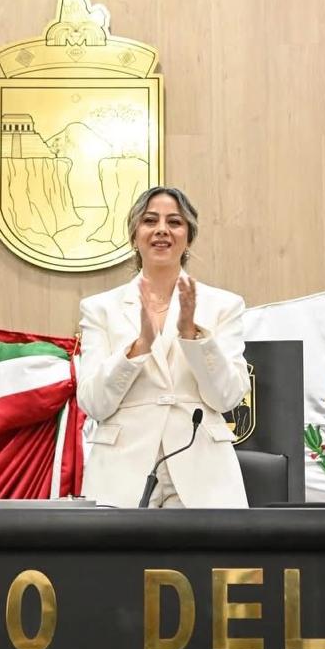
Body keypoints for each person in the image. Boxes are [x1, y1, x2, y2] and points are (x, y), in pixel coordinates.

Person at [76, 186, 249, 508]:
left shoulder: (224, 305)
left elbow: (226, 398)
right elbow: (94, 404)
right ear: (134, 235)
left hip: (202, 466)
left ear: (189, 237)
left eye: (174, 222)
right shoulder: (100, 308)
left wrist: (193, 337)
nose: (161, 230)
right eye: (150, 220)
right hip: (122, 468)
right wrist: (140, 347)